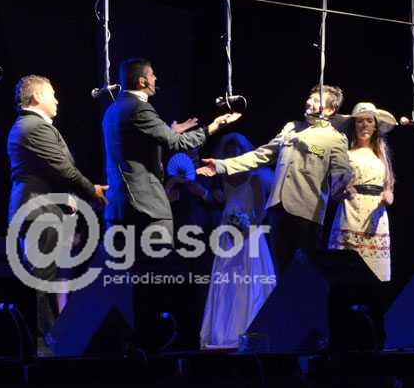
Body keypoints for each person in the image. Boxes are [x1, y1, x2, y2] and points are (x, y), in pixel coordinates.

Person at [198, 85, 352, 274]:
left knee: (305, 273)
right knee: (281, 271)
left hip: (306, 214)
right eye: (309, 98)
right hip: (277, 210)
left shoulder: (335, 138)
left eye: (316, 100)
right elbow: (261, 155)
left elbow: (342, 170)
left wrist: (341, 184)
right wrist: (222, 165)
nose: (308, 102)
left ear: (330, 109)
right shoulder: (291, 127)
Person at [7, 74, 108, 352]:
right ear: (37, 97)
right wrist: (92, 192)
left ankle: (47, 343)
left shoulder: (31, 126)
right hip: (38, 213)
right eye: (52, 94)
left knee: (47, 282)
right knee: (41, 282)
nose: (57, 100)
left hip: (42, 211)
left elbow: (56, 172)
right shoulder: (34, 127)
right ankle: (41, 346)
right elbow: (64, 170)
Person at [102, 58, 241, 252]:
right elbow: (177, 143)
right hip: (145, 209)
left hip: (118, 209)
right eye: (152, 75)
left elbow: (133, 146)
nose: (155, 78)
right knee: (157, 267)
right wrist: (213, 127)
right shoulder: (139, 108)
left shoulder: (112, 109)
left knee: (125, 268)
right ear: (142, 81)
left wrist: (169, 131)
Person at [200, 133, 276, 348]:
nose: (232, 156)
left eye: (236, 153)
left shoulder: (254, 178)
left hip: (250, 233)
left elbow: (262, 210)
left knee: (250, 279)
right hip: (227, 233)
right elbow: (225, 202)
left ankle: (250, 329)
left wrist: (248, 229)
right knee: (227, 280)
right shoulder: (224, 179)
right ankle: (224, 331)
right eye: (228, 153)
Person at [329, 102, 397, 281]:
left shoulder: (381, 156)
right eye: (359, 121)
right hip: (351, 211)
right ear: (354, 125)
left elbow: (388, 187)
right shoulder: (345, 154)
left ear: (375, 126)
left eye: (369, 121)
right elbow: (334, 191)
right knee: (347, 271)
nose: (364, 125)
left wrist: (388, 196)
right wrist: (343, 189)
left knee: (375, 272)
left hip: (376, 215)